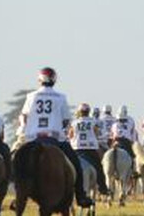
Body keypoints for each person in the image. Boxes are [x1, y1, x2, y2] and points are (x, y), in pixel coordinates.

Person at [19, 67, 94, 207]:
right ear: (54, 80)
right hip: (54, 138)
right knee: (76, 164)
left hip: (33, 138)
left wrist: (25, 130)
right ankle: (80, 196)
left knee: (17, 162)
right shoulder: (61, 97)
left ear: (40, 79)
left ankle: (19, 196)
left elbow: (23, 116)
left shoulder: (31, 96)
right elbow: (66, 120)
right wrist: (63, 132)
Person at [69, 103, 109, 195]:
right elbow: (97, 133)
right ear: (88, 112)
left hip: (77, 148)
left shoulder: (74, 122)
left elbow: (70, 135)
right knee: (99, 168)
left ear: (79, 112)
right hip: (90, 148)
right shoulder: (93, 121)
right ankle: (102, 188)